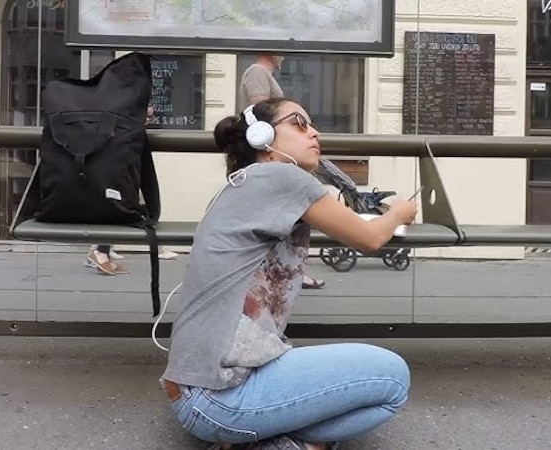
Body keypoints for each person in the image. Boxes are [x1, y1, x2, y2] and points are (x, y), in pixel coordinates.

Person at [159, 98, 417, 450]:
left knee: (362, 389)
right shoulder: (283, 176)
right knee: (393, 381)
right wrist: (399, 212)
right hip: (218, 397)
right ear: (262, 137)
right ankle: (276, 443)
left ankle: (249, 438)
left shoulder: (243, 183)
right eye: (298, 123)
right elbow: (369, 237)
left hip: (193, 390)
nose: (314, 132)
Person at [239, 54, 325, 290]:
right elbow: (262, 114)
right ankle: (287, 272)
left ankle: (288, 271)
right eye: (298, 124)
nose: (314, 134)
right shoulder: (257, 73)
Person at [84, 106, 179, 275]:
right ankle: (100, 250)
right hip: (121, 172)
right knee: (130, 208)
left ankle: (102, 249)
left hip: (119, 170)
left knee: (124, 208)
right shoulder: (125, 125)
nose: (148, 121)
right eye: (147, 117)